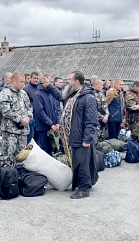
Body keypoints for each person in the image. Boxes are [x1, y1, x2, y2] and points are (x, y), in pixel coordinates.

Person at [44, 71, 98, 199]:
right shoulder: (74, 95)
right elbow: (60, 96)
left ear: (76, 81)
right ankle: (82, 184)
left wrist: (87, 138)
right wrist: (50, 85)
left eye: (69, 79)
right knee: (77, 162)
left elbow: (91, 120)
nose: (67, 82)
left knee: (82, 163)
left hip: (82, 137)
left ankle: (84, 189)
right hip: (73, 136)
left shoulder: (88, 98)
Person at [0, 72, 33, 166]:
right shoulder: (5, 93)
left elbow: (29, 107)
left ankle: (19, 176)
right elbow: (5, 111)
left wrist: (28, 118)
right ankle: (9, 177)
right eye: (21, 82)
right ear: (14, 81)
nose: (23, 84)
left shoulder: (23, 93)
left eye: (24, 82)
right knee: (8, 157)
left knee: (21, 156)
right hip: (10, 132)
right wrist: (20, 120)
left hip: (23, 132)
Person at [33, 79, 61, 155]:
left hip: (54, 127)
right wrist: (50, 124)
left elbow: (58, 109)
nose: (50, 84)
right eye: (48, 82)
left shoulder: (53, 94)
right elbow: (40, 112)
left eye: (51, 82)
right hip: (43, 128)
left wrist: (58, 122)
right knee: (44, 150)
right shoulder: (38, 95)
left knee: (52, 149)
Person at [23, 71, 39, 143]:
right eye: (34, 78)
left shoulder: (39, 88)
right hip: (31, 117)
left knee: (38, 139)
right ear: (31, 79)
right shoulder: (26, 89)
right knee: (30, 139)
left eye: (37, 78)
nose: (36, 80)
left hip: (39, 117)